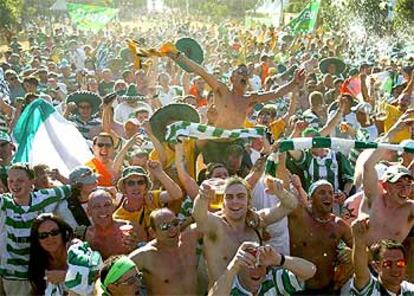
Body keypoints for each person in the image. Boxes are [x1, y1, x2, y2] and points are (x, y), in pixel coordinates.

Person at [193, 176, 298, 284]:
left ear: (248, 201)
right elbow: (198, 216)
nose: (235, 201)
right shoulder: (216, 226)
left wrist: (280, 192)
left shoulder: (256, 222)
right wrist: (202, 196)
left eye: (240, 196)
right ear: (223, 203)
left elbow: (290, 206)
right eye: (229, 197)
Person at [167, 52, 304, 129]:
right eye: (240, 73)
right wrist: (181, 57)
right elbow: (203, 73)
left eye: (246, 74)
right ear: (232, 78)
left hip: (236, 140)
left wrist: (294, 82)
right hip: (216, 138)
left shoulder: (249, 99)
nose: (244, 75)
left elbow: (276, 93)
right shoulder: (221, 90)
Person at [0, 163, 72, 296]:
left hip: (40, 271)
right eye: (10, 181)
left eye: (20, 180)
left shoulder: (43, 197)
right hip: (14, 275)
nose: (14, 184)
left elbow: (71, 188)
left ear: (31, 181)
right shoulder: (4, 203)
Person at [288, 179, 353, 293]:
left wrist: (352, 253)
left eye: (330, 193)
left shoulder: (338, 225)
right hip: (296, 288)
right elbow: (284, 197)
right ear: (310, 199)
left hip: (328, 288)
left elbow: (365, 252)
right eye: (322, 192)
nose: (327, 196)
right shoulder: (299, 217)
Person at [129, 208, 201, 295]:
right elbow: (115, 278)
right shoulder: (146, 255)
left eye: (175, 223)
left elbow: (213, 220)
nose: (172, 229)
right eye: (165, 227)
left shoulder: (189, 239)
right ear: (153, 232)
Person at [208, 242, 317, 295]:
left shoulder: (274, 280)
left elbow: (311, 270)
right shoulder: (229, 285)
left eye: (260, 265)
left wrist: (279, 259)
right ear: (240, 267)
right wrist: (233, 267)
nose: (256, 271)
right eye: (250, 265)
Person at [114, 164, 182, 240]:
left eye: (140, 182)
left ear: (146, 186)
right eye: (131, 183)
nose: (136, 187)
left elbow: (177, 194)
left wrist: (159, 173)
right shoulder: (118, 217)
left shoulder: (153, 197)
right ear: (124, 188)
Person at [351, 218, 414, 295]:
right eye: (387, 264)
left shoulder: (410, 290)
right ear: (376, 266)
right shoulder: (370, 289)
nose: (395, 269)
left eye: (400, 263)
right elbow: (360, 272)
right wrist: (359, 240)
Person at [82, 189, 139, 259]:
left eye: (107, 205)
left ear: (113, 207)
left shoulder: (129, 228)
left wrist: (136, 247)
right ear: (88, 211)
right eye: (97, 206)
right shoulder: (84, 235)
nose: (103, 211)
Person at [28, 213, 73, 295]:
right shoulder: (38, 263)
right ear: (38, 241)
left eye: (54, 232)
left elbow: (95, 276)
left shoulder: (77, 249)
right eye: (43, 235)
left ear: (62, 233)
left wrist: (65, 276)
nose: (50, 238)